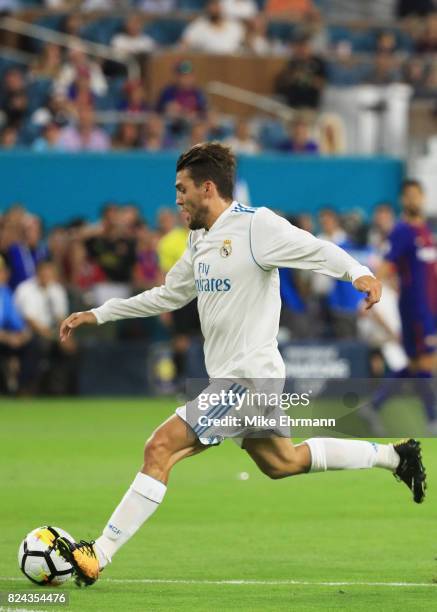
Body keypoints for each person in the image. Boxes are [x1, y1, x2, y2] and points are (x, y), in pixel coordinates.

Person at [56, 143, 425, 587]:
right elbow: (169, 294)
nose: (176, 199)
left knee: (159, 448)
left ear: (207, 188)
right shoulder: (199, 238)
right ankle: (395, 455)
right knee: (281, 462)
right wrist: (100, 313)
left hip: (248, 378)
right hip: (244, 378)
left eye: (181, 189)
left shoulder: (256, 226)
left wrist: (359, 273)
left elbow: (315, 249)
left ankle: (98, 554)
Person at [363, 180, 437, 432]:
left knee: (417, 365)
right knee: (427, 362)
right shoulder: (401, 231)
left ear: (423, 198)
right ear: (403, 200)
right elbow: (386, 263)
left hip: (430, 307)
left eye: (417, 195)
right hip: (415, 309)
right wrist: (373, 287)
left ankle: (375, 405)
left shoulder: (425, 231)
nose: (414, 200)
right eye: (409, 196)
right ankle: (432, 418)